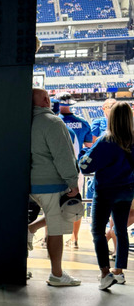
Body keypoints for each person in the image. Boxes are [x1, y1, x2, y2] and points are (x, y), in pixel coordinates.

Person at [26, 89, 81, 287]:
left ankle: (30, 229)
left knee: (52, 217)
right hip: (52, 183)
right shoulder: (53, 122)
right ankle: (56, 274)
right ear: (46, 101)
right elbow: (64, 157)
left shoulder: (23, 121)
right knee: (56, 230)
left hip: (31, 183)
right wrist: (72, 182)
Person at [79, 102, 134, 289]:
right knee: (121, 230)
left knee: (97, 231)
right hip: (126, 191)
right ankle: (119, 271)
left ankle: (105, 272)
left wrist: (83, 152)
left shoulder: (106, 140)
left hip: (105, 192)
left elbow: (86, 166)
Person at [57, 92, 93, 249]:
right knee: (75, 202)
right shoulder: (83, 123)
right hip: (76, 167)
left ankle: (48, 238)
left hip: (56, 167)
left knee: (51, 202)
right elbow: (89, 146)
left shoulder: (54, 121)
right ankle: (74, 238)